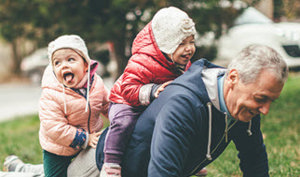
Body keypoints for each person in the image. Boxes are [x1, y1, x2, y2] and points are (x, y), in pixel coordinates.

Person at [96, 44, 289, 177]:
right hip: (115, 167)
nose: (265, 110)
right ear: (233, 78)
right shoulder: (183, 104)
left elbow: (254, 162)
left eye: (271, 100)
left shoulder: (245, 105)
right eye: (261, 99)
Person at [101, 6, 202, 177]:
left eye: (191, 42)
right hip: (126, 100)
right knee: (124, 122)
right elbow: (127, 89)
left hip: (154, 103)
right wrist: (153, 90)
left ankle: (189, 160)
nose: (189, 49)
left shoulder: (182, 64)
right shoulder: (142, 60)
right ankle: (111, 162)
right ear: (165, 44)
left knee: (180, 123)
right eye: (181, 43)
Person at [37, 34, 109, 177]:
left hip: (88, 139)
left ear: (86, 65)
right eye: (57, 63)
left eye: (71, 59)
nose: (64, 65)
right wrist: (85, 139)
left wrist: (120, 118)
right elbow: (54, 128)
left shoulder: (96, 84)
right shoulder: (51, 94)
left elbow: (108, 104)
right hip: (58, 148)